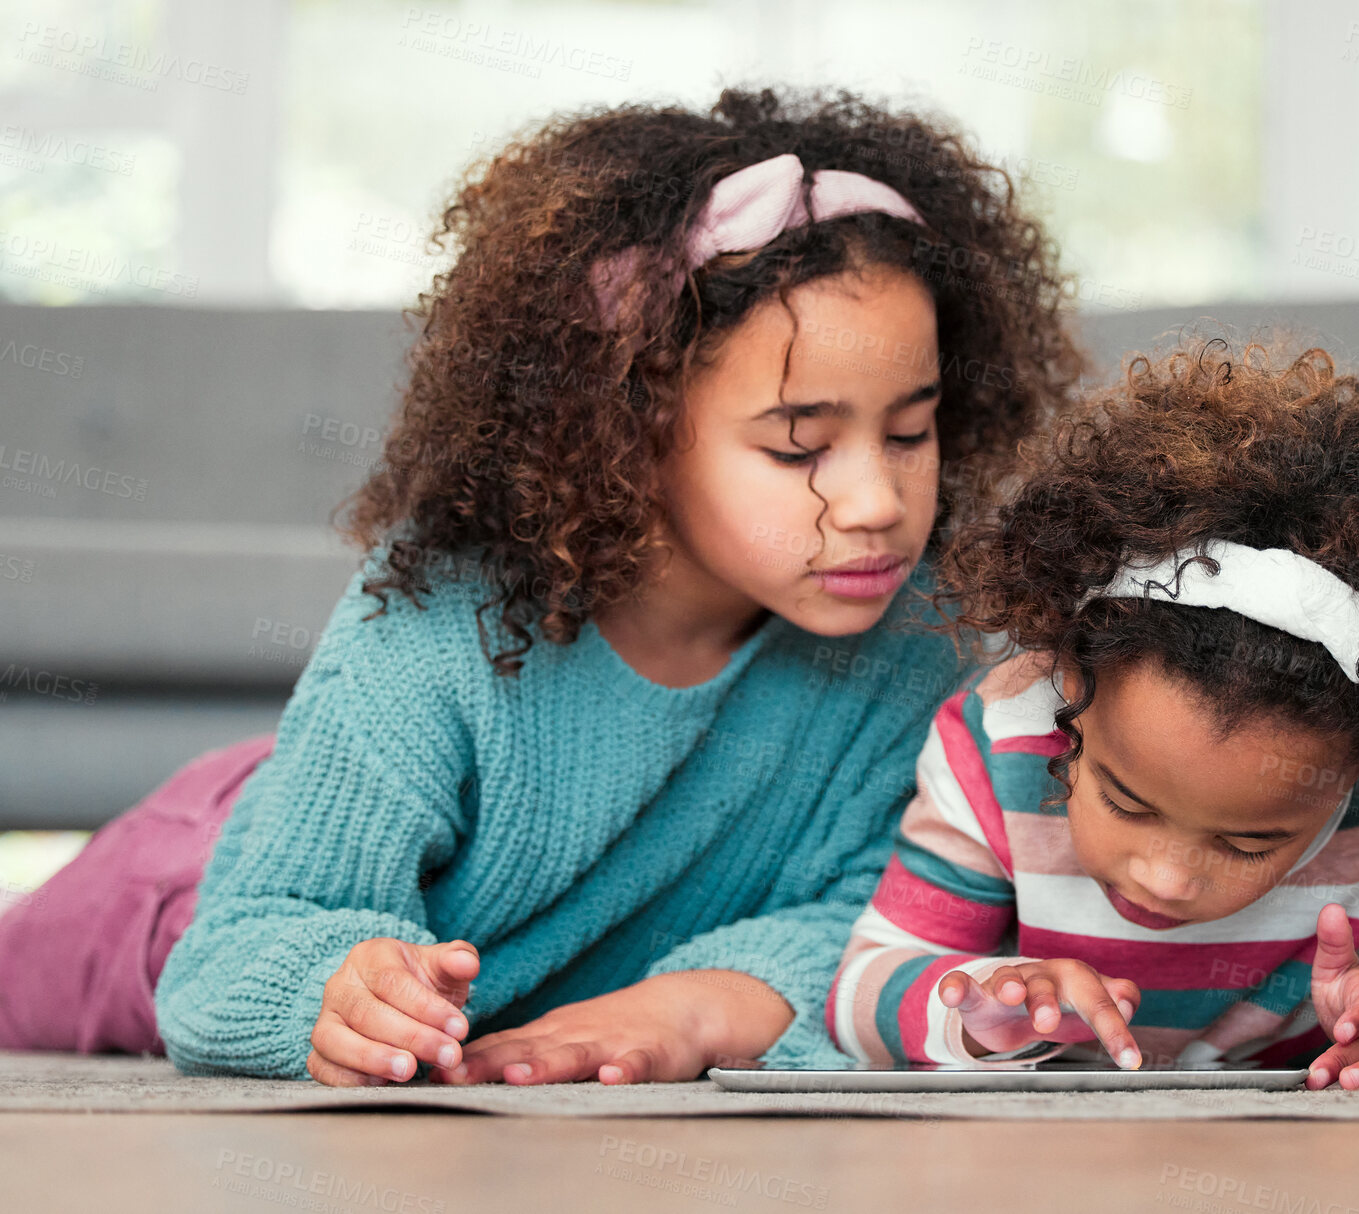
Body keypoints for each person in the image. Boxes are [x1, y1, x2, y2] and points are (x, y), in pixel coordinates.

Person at [0, 84, 1089, 1084]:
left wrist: (691, 1009)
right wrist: (339, 993)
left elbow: (884, 916)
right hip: (190, 877)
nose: (876, 502)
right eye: (801, 447)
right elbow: (230, 948)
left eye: (910, 430)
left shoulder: (915, 638)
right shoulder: (450, 617)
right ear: (633, 430)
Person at [829, 339, 1359, 1087]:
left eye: (1246, 842)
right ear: (1069, 686)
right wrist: (984, 1013)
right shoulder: (996, 745)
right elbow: (864, 989)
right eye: (1124, 801)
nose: (1168, 878)